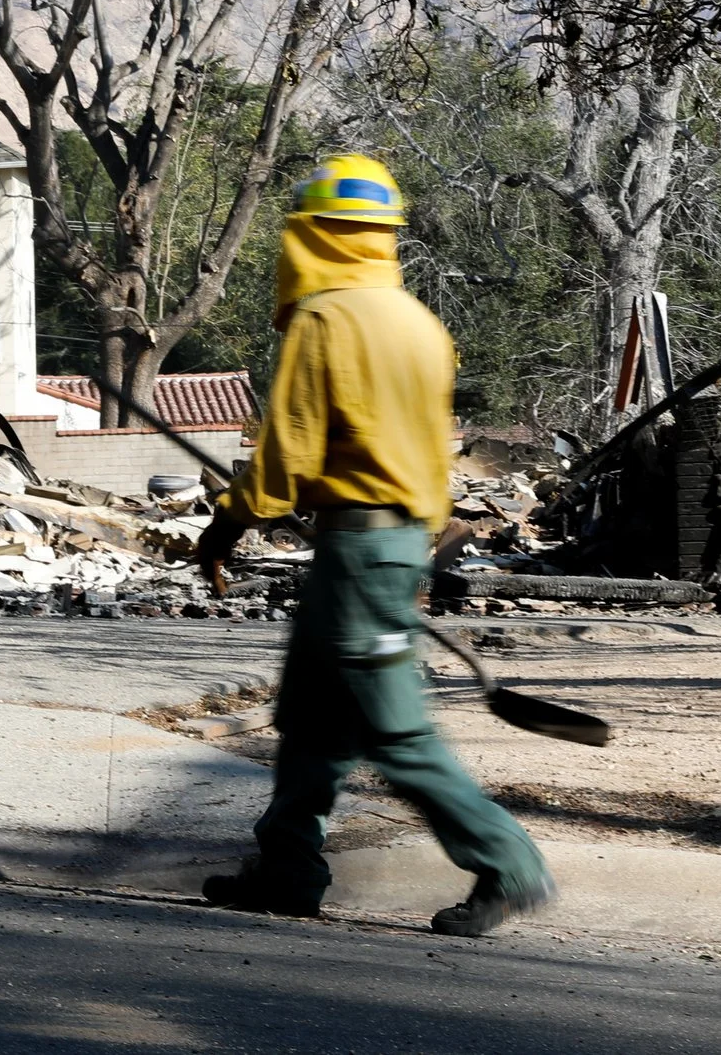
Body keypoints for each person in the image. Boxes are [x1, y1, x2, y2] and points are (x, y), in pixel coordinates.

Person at [194, 154, 554, 938]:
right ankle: (286, 870)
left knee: (393, 727)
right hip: (383, 546)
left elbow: (286, 455)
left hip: (361, 552)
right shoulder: (420, 324)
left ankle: (509, 861)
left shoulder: (325, 321)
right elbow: (423, 455)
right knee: (313, 718)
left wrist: (226, 523)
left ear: (315, 236)